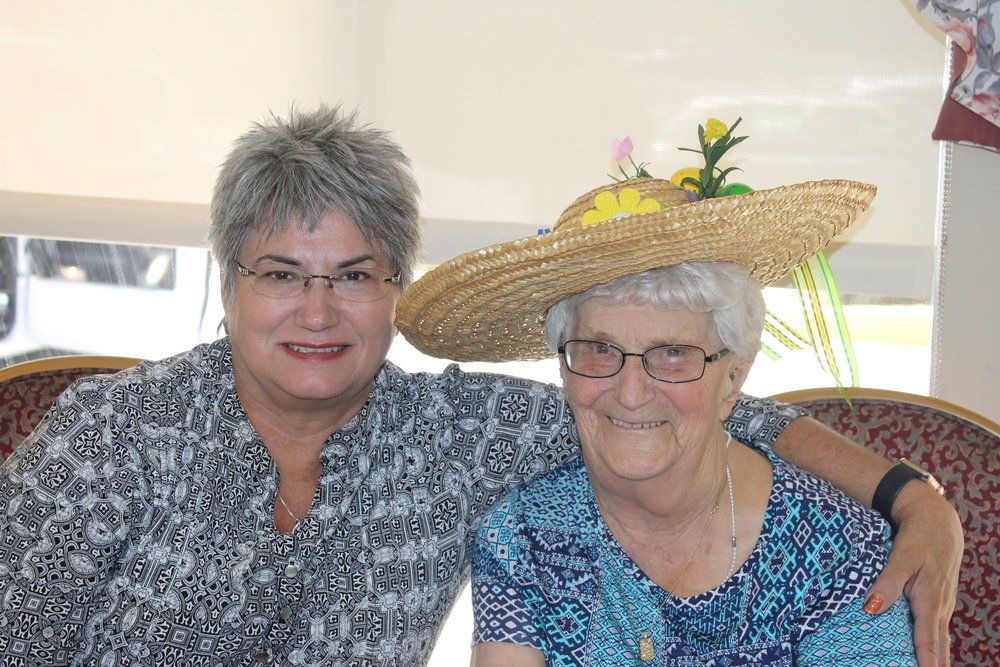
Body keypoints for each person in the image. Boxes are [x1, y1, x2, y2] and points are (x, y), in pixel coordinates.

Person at [0, 107, 958, 666]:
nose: (319, 312)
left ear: (398, 289)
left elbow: (688, 409)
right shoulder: (111, 440)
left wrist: (913, 498)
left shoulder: (453, 433)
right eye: (282, 273)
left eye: (356, 274)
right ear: (229, 283)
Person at [396, 178, 941, 665]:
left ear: (732, 378)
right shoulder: (523, 535)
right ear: (563, 368)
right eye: (598, 349)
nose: (631, 393)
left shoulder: (838, 547)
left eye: (673, 354)